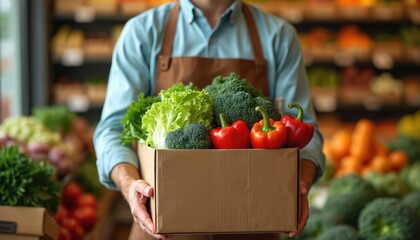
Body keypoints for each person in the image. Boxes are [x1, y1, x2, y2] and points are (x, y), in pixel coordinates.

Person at [93, 0, 326, 239]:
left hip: (252, 222)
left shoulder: (278, 36)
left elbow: (305, 131)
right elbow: (112, 129)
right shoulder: (142, 32)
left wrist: (300, 181)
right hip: (161, 225)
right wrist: (130, 184)